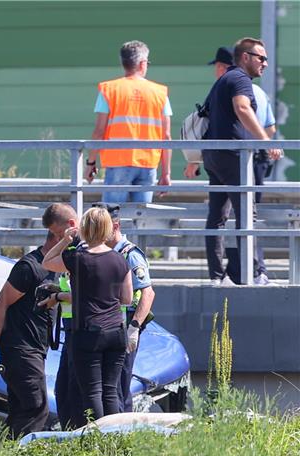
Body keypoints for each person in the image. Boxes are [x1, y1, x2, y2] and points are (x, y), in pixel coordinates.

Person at [185, 45, 276, 285]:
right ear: (245, 57)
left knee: (218, 216)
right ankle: (255, 274)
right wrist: (266, 141)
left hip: (215, 155)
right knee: (247, 214)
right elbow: (242, 107)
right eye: (261, 58)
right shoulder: (240, 78)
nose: (265, 63)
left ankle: (217, 276)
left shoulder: (224, 79)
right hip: (233, 154)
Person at [43, 208, 133, 425]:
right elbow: (127, 298)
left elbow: (47, 261)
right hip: (116, 332)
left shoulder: (77, 258)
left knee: (92, 392)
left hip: (88, 333)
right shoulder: (120, 259)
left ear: (82, 229)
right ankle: (116, 439)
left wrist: (65, 240)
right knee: (111, 391)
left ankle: (98, 442)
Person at [85, 40, 172, 204]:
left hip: (118, 161)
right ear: (142, 63)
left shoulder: (109, 90)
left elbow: (99, 132)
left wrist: (91, 162)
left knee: (111, 218)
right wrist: (165, 173)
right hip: (148, 163)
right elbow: (166, 136)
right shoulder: (160, 93)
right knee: (141, 220)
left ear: (123, 63)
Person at [0, 229, 56, 438]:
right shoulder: (30, 267)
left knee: (20, 407)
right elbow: (1, 304)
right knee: (36, 407)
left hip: (35, 349)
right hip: (20, 348)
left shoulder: (57, 267)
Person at [94, 202, 155, 413]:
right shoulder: (98, 253)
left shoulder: (129, 254)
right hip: (108, 326)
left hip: (125, 326)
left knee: (118, 384)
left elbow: (147, 293)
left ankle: (122, 432)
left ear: (115, 225)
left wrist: (134, 328)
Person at [38, 203, 82, 429]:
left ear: (71, 226)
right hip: (72, 328)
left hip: (86, 329)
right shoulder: (74, 250)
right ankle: (69, 433)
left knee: (80, 390)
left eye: (57, 234)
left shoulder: (83, 250)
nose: (55, 239)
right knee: (64, 390)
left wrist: (60, 297)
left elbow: (89, 292)